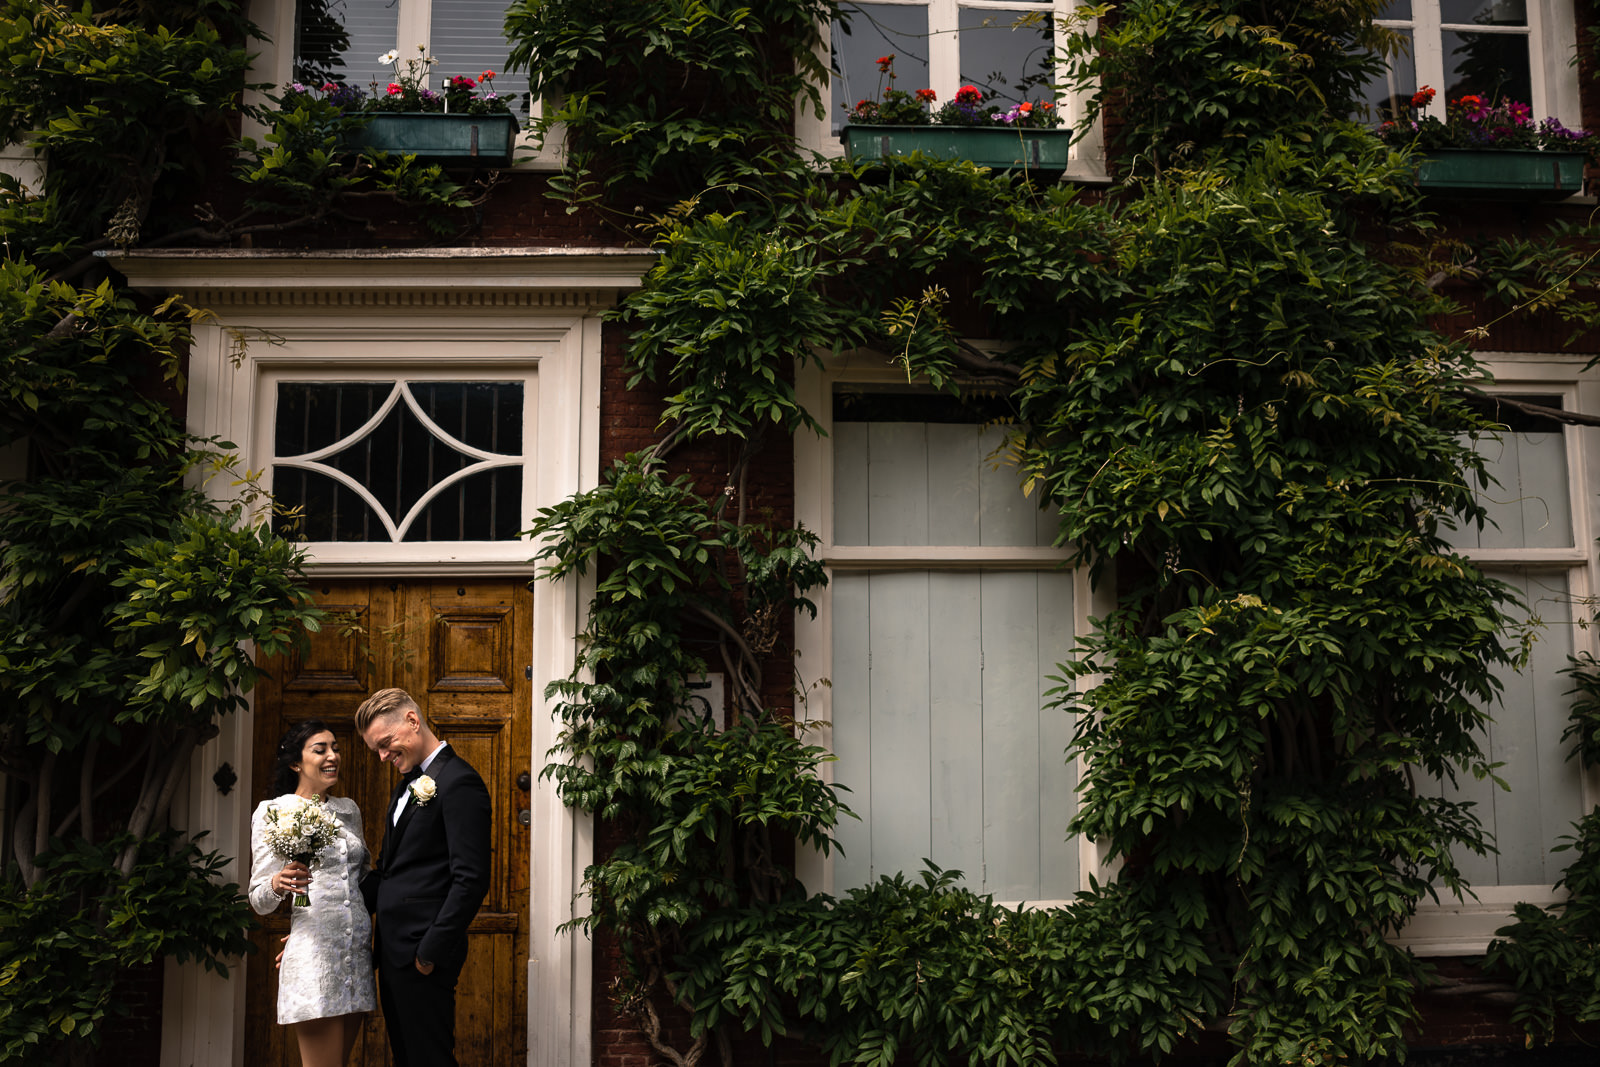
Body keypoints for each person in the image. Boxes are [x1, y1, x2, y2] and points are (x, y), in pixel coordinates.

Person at [356, 687, 491, 1067]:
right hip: (394, 950)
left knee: (429, 1059)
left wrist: (429, 953)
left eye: (385, 743)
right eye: (376, 749)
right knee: (407, 1058)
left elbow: (472, 878)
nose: (383, 756)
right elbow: (388, 871)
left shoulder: (459, 781)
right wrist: (321, 914)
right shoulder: (408, 784)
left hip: (422, 952)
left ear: (412, 721)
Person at [248, 719, 376, 1067]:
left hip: (355, 952)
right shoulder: (272, 812)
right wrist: (278, 883)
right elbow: (258, 898)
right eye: (320, 750)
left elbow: (362, 881)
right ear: (295, 762)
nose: (332, 755)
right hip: (315, 954)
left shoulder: (349, 810)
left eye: (335, 747)